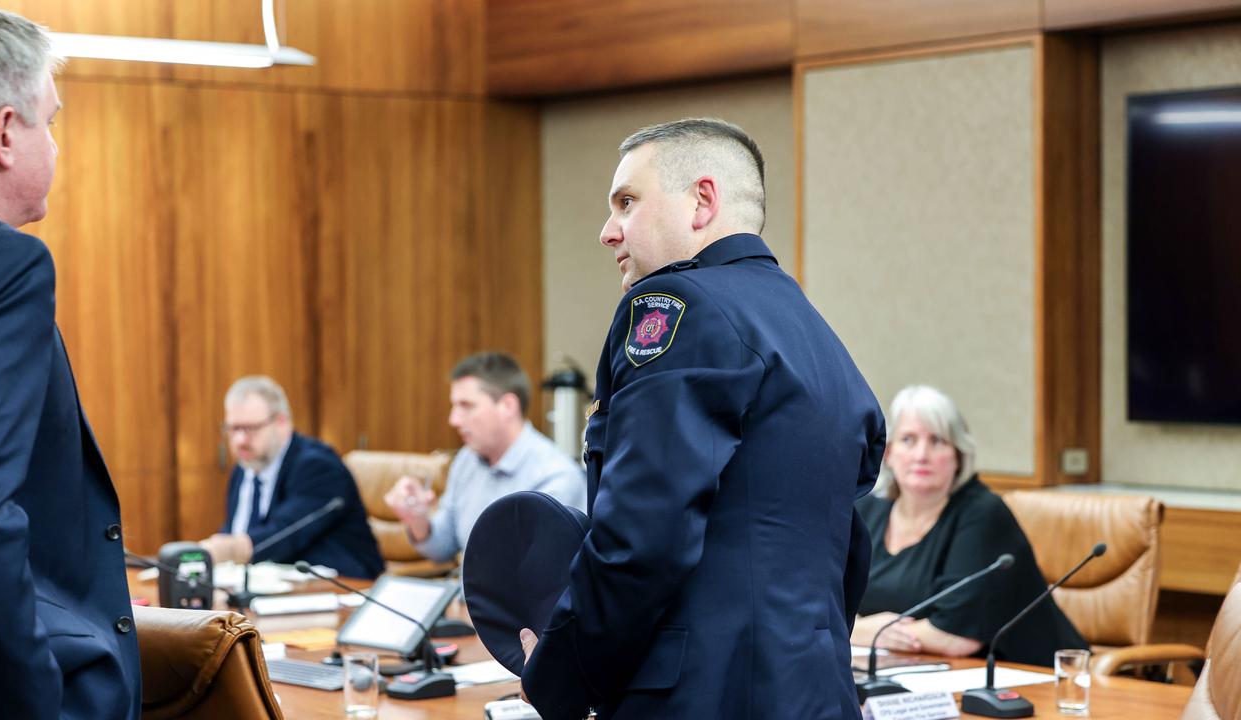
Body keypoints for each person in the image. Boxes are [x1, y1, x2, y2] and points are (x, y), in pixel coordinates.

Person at [518, 118, 886, 720]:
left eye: (627, 203)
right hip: (814, 690)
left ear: (703, 201)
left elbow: (643, 534)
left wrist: (559, 675)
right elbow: (846, 549)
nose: (608, 231)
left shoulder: (677, 306)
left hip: (698, 696)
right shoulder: (813, 331)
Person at [0, 5, 142, 718]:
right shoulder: (1, 263)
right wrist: (35, 699)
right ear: (6, 132)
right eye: (51, 121)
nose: (56, 146)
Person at [852, 385, 1086, 666]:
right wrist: (859, 630)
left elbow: (956, 638)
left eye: (937, 441)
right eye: (908, 440)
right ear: (887, 453)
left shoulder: (982, 514)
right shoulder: (866, 510)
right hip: (907, 671)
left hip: (1029, 678)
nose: (921, 455)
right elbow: (828, 604)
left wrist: (864, 630)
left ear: (958, 455)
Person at [385, 352, 585, 565]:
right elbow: (443, 547)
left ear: (507, 406)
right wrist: (417, 519)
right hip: (466, 597)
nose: (453, 419)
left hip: (512, 599)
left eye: (466, 405)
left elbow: (540, 577)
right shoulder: (466, 460)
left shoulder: (557, 478)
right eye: (454, 406)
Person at [200, 375, 383, 579]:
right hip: (264, 589)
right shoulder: (245, 468)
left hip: (343, 587)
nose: (240, 440)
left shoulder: (319, 466)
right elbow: (235, 530)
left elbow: (284, 535)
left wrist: (229, 550)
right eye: (233, 429)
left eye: (250, 429)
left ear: (281, 422)